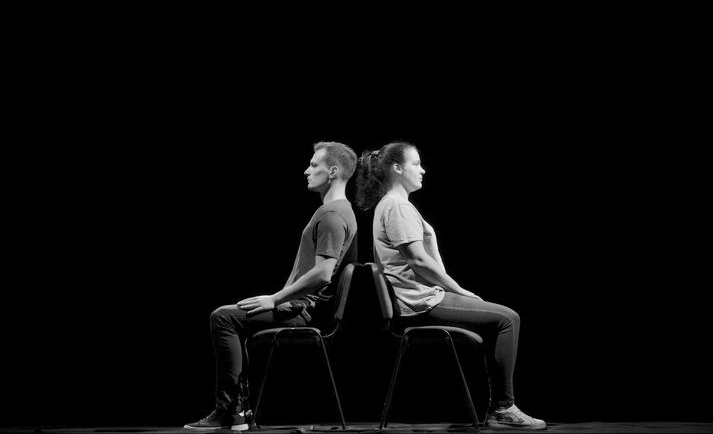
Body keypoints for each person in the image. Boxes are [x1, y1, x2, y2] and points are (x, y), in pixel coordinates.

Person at [355, 141, 546, 430]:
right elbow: (418, 260)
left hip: (420, 298)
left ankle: (498, 406)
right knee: (508, 319)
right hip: (420, 302)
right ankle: (503, 408)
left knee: (496, 323)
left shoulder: (394, 205)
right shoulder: (396, 206)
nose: (422, 169)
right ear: (397, 168)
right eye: (416, 163)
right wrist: (459, 290)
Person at [185, 141, 358, 431]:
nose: (306, 170)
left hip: (304, 310)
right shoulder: (338, 211)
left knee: (223, 318)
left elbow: (323, 274)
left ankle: (230, 412)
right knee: (230, 316)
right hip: (303, 306)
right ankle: (237, 411)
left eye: (313, 165)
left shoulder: (332, 215)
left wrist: (275, 299)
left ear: (333, 171)